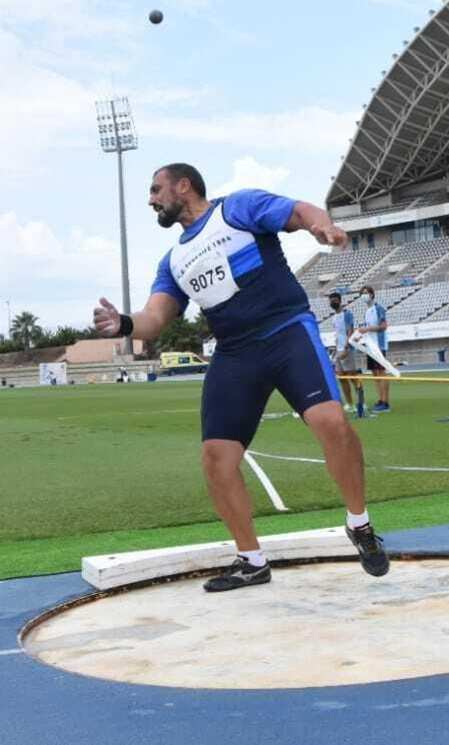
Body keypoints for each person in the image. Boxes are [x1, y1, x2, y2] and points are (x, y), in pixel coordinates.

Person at [92, 163, 388, 591]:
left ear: (183, 185)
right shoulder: (172, 261)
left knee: (331, 422)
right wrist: (121, 324)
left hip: (286, 332)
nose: (151, 199)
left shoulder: (239, 209)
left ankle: (359, 523)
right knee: (216, 457)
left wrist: (322, 227)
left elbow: (299, 211)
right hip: (235, 353)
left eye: (156, 189)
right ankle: (251, 560)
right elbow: (155, 319)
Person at [356, 285, 393, 412]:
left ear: (372, 294)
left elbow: (383, 326)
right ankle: (381, 400)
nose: (364, 296)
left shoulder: (378, 308)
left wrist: (367, 329)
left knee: (381, 372)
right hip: (370, 345)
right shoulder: (367, 311)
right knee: (375, 373)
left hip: (379, 344)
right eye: (362, 294)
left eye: (366, 293)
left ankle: (385, 402)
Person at [328, 290, 361, 411]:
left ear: (340, 301)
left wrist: (346, 348)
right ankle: (350, 403)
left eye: (335, 301)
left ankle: (361, 402)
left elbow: (350, 332)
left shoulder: (347, 314)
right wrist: (337, 351)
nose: (333, 303)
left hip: (348, 349)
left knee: (352, 376)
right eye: (331, 302)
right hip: (338, 350)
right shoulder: (334, 317)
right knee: (341, 378)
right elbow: (337, 335)